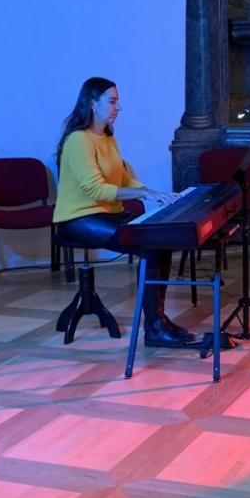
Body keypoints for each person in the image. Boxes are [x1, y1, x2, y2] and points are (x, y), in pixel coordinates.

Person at [53, 77, 197, 348]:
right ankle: (154, 328)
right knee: (149, 245)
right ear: (92, 103)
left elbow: (123, 177)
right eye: (112, 101)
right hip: (79, 218)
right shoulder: (78, 140)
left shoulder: (108, 135)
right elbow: (96, 189)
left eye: (117, 101)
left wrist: (154, 193)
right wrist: (144, 195)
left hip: (109, 213)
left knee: (162, 240)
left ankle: (158, 320)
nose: (118, 107)